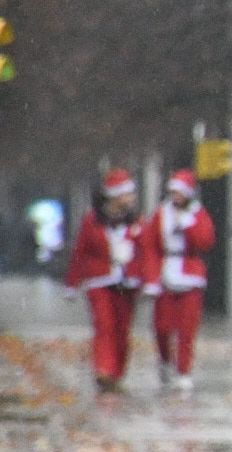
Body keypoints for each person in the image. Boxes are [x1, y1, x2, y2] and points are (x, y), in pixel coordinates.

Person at [65, 168, 144, 392]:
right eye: (126, 194)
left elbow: (146, 251)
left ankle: (116, 372)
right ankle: (103, 369)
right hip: (99, 280)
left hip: (127, 282)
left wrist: (147, 279)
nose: (130, 198)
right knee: (104, 325)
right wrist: (72, 283)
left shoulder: (136, 221)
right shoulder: (92, 221)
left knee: (122, 328)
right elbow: (80, 252)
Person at [139, 170, 216, 393]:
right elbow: (150, 246)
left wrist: (188, 225)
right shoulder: (161, 213)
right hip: (165, 274)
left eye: (179, 192)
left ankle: (183, 370)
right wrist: (151, 278)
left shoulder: (198, 214)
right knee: (162, 327)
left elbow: (205, 242)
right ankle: (164, 360)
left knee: (187, 328)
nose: (175, 197)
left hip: (190, 275)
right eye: (172, 192)